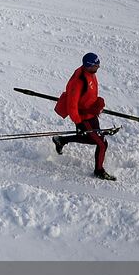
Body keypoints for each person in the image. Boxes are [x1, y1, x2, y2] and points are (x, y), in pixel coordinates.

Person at [52, 52, 115, 181]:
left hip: (90, 113)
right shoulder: (79, 81)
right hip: (84, 117)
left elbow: (88, 94)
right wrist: (79, 122)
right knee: (102, 144)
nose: (98, 67)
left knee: (93, 139)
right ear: (89, 66)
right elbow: (72, 105)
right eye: (96, 65)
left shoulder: (90, 73)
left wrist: (96, 103)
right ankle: (99, 171)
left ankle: (62, 140)